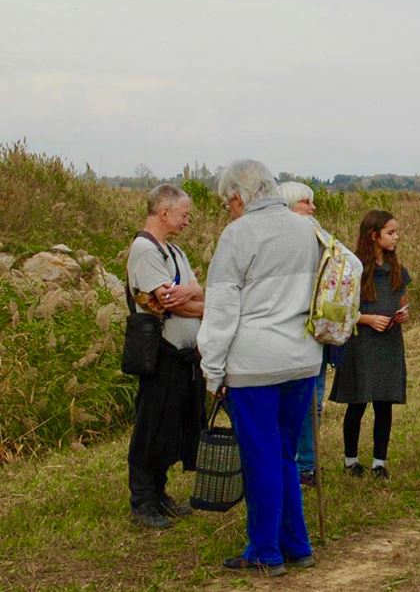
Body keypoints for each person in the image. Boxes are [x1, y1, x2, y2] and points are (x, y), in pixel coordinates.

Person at [198, 160, 324, 576]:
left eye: (225, 202)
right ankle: (297, 544)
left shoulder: (238, 234)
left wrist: (212, 370)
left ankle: (265, 551)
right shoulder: (308, 228)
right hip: (303, 359)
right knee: (285, 453)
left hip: (254, 363)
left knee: (261, 457)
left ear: (238, 196)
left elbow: (220, 309)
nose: (227, 209)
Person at [126, 183, 205, 529]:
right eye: (184, 214)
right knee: (151, 425)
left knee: (171, 426)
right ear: (164, 212)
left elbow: (192, 295)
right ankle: (143, 500)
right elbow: (166, 302)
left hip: (183, 356)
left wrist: (194, 294)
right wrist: (199, 299)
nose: (187, 221)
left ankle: (160, 493)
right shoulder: (145, 250)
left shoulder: (173, 252)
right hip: (161, 354)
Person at [329, 210, 410, 480]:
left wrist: (402, 315)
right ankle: (350, 460)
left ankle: (379, 462)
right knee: (357, 402)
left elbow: (400, 301)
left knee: (384, 403)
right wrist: (366, 318)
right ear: (374, 236)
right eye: (390, 232)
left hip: (389, 342)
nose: (396, 237)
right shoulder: (353, 269)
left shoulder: (397, 270)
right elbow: (340, 309)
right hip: (361, 344)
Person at [278, 181, 326, 486]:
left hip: (316, 332)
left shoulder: (319, 237)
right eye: (305, 202)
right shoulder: (279, 243)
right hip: (286, 336)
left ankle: (308, 464)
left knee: (314, 401)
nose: (312, 208)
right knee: (294, 402)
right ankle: (291, 464)